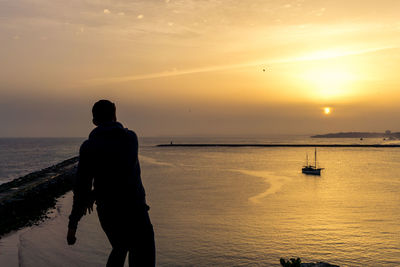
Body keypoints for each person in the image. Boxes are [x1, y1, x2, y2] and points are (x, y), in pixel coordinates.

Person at [67, 100, 155, 267]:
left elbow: (81, 187)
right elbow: (120, 172)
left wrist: (73, 224)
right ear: (115, 116)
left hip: (108, 212)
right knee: (142, 255)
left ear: (94, 122)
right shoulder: (130, 139)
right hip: (135, 210)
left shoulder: (88, 147)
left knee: (120, 247)